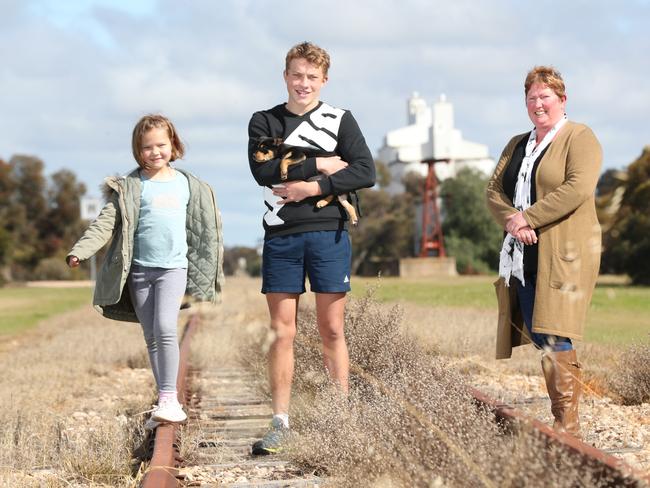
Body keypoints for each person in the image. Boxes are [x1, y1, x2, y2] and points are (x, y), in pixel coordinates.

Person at [247, 41, 375, 454]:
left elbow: (364, 170)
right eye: (297, 75)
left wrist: (309, 187)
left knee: (332, 329)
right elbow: (263, 170)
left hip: (329, 232)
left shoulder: (341, 119)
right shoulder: (263, 120)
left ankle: (340, 419)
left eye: (312, 77)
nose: (304, 83)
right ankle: (280, 422)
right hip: (280, 234)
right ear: (286, 76)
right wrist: (321, 163)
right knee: (282, 332)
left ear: (324, 80)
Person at [67, 114, 224, 429]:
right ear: (138, 151)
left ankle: (169, 399)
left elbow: (205, 230)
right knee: (151, 335)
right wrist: (81, 250)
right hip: (139, 271)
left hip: (173, 269)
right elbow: (105, 223)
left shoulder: (187, 185)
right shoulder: (129, 187)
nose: (155, 152)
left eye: (161, 145)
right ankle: (165, 401)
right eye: (147, 147)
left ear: (173, 145)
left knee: (165, 327)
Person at [486, 66, 602, 438]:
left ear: (562, 100)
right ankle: (565, 418)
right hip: (523, 254)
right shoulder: (517, 144)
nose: (538, 104)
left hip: (564, 251)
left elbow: (577, 188)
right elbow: (493, 190)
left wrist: (528, 218)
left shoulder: (579, 137)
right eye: (532, 97)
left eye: (545, 97)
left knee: (555, 333)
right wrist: (512, 221)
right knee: (541, 333)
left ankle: (567, 425)